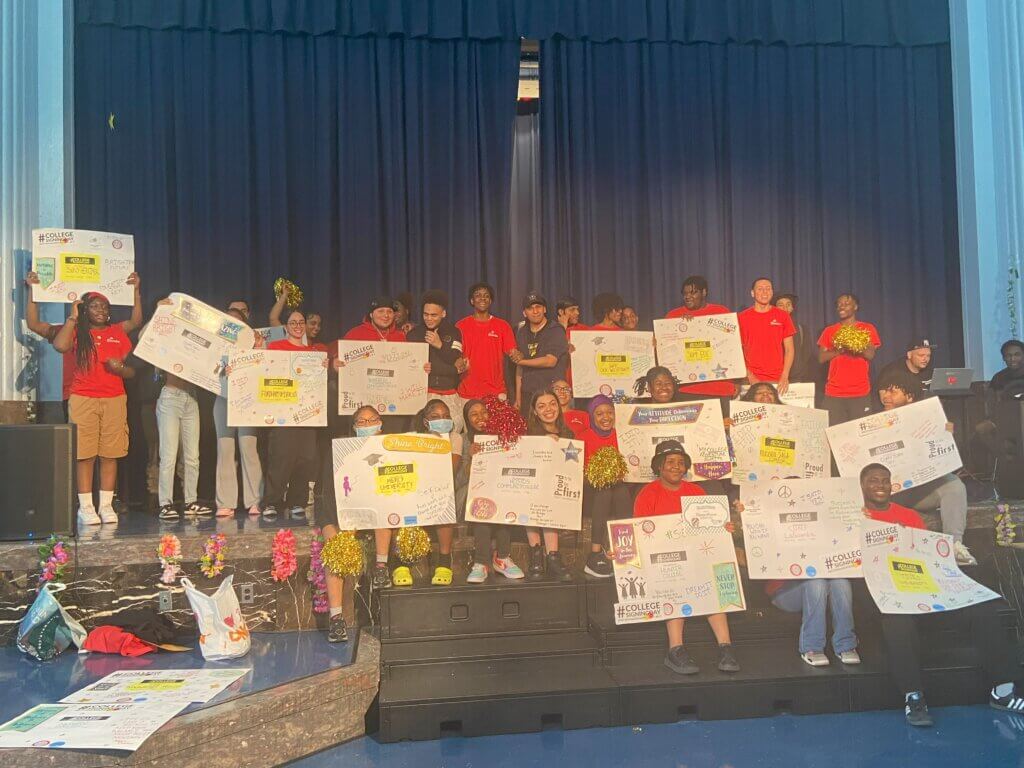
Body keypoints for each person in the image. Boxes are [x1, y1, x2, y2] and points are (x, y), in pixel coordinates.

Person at [859, 462, 1023, 727]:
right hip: (884, 593)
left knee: (985, 608)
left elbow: (925, 557)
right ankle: (914, 698)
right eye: (873, 481)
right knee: (896, 620)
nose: (880, 486)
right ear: (862, 486)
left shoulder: (910, 516)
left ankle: (1002, 692)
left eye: (885, 480)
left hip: (920, 586)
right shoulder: (857, 516)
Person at [634, 440, 740, 675]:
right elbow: (639, 531)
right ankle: (675, 650)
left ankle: (726, 647)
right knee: (676, 581)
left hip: (695, 557)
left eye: (681, 463)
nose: (676, 467)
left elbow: (708, 528)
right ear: (659, 466)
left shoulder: (696, 492)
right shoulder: (647, 494)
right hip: (664, 561)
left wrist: (724, 529)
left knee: (714, 578)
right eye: (670, 462)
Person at [52, 274, 143, 526]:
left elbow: (136, 320)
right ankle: (86, 507)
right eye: (94, 306)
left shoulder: (116, 331)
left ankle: (105, 505)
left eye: (104, 306)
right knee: (85, 454)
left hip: (114, 397)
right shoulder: (78, 332)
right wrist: (72, 317)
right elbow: (59, 345)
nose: (101, 310)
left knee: (110, 453)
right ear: (84, 310)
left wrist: (136, 291)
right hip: (84, 397)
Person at [875, 371, 976, 565]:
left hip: (918, 490)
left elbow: (942, 459)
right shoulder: (870, 424)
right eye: (883, 391)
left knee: (954, 484)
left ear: (909, 397)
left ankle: (955, 547)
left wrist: (946, 435)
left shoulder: (926, 420)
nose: (886, 396)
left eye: (893, 391)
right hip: (889, 494)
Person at [312, 404, 385, 641]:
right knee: (337, 548)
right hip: (340, 511)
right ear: (353, 427)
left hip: (375, 512)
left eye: (372, 420)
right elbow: (327, 493)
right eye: (361, 422)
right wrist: (336, 523)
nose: (367, 425)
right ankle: (336, 618)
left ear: (381, 423)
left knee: (386, 512)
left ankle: (382, 568)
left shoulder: (392, 450)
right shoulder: (340, 451)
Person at [456, 399, 526, 584]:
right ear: (466, 419)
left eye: (484, 412)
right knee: (485, 500)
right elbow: (457, 481)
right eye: (474, 414)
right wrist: (471, 458)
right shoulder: (462, 440)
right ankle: (481, 563)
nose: (480, 417)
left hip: (500, 492)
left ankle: (502, 558)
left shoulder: (503, 436)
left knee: (501, 498)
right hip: (470, 497)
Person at [262, 309, 320, 519]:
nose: (297, 325)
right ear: (285, 326)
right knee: (281, 458)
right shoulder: (275, 348)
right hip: (282, 413)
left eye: (301, 322)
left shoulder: (313, 354)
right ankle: (272, 502)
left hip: (307, 415)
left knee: (304, 459)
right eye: (293, 322)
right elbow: (261, 373)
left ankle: (297, 501)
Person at [405, 399, 462, 587]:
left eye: (446, 416)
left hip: (440, 488)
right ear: (425, 421)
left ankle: (444, 562)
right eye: (435, 417)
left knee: (443, 497)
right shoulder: (413, 438)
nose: (442, 420)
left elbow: (450, 470)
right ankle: (401, 562)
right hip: (415, 489)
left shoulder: (455, 438)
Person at [214, 304, 264, 518]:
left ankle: (255, 501)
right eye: (228, 322)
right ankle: (225, 502)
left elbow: (266, 367)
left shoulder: (254, 343)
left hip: (247, 401)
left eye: (237, 322)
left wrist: (260, 347)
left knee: (248, 448)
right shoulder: (214, 344)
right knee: (225, 449)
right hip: (223, 398)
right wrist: (220, 369)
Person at [525, 389, 575, 581]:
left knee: (552, 494)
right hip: (532, 488)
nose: (548, 409)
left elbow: (572, 468)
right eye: (542, 406)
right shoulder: (528, 434)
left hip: (557, 488)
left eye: (552, 403)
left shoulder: (568, 433)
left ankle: (553, 557)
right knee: (533, 493)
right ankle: (535, 553)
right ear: (535, 412)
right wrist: (541, 444)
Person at [665, 276, 739, 407]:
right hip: (686, 389)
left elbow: (733, 349)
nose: (688, 297)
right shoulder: (673, 316)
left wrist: (737, 379)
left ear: (704, 292)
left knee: (724, 426)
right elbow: (665, 350)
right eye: (685, 293)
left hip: (719, 388)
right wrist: (678, 327)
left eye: (693, 292)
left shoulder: (721, 312)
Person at [579, 395, 628, 578]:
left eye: (609, 412)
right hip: (593, 491)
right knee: (605, 491)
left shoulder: (623, 435)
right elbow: (579, 474)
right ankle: (595, 553)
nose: (605, 417)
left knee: (621, 491)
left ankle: (624, 549)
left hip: (619, 490)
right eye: (599, 414)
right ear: (592, 416)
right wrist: (600, 477)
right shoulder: (583, 437)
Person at [405, 290, 467, 434]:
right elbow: (409, 368)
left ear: (443, 314)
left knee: (453, 433)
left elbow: (456, 362)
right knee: (422, 434)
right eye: (425, 314)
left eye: (434, 315)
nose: (429, 318)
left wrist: (439, 345)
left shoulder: (454, 332)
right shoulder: (414, 334)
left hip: (449, 393)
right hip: (423, 393)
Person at [817, 293, 880, 425]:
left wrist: (854, 345)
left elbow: (870, 354)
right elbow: (821, 358)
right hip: (834, 393)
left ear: (855, 307)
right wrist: (840, 349)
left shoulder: (867, 328)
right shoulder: (830, 331)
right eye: (839, 304)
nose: (842, 307)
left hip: (860, 393)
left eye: (846, 303)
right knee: (833, 433)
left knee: (860, 434)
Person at [456, 282, 521, 401]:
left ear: (490, 301)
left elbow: (512, 351)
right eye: (478, 295)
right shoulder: (460, 326)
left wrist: (517, 355)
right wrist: (457, 361)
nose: (482, 298)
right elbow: (454, 355)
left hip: (496, 393)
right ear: (472, 301)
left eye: (486, 296)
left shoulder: (503, 326)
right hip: (467, 393)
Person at [738, 277, 795, 395]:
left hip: (777, 380)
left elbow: (789, 349)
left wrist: (785, 375)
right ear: (752, 293)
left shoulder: (783, 316)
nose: (765, 292)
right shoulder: (742, 318)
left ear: (772, 292)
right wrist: (750, 376)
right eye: (760, 289)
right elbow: (737, 351)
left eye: (768, 289)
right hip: (750, 380)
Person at [514, 292, 569, 412]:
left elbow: (550, 361)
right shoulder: (521, 332)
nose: (535, 311)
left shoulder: (555, 330)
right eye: (530, 308)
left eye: (538, 307)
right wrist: (518, 396)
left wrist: (522, 361)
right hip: (528, 394)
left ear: (544, 309)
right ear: (524, 313)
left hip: (550, 394)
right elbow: (519, 368)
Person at [975, 340, 1024, 457]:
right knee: (982, 429)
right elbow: (992, 402)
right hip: (1004, 420)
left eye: (1017, 355)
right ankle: (1008, 458)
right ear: (1003, 358)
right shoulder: (999, 377)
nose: (1013, 359)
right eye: (1008, 355)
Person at [269, 283, 329, 352]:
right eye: (313, 323)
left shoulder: (320, 347)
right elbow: (273, 318)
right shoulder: (285, 338)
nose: (317, 327)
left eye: (319, 324)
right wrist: (284, 295)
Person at [773, 294, 814, 383]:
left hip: (796, 378)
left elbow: (807, 352)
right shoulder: (769, 328)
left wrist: (797, 370)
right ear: (774, 308)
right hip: (773, 378)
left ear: (792, 308)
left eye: (788, 304)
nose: (785, 308)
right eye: (781, 305)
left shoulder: (802, 329)